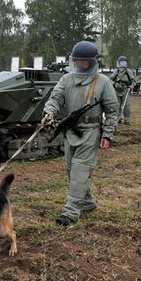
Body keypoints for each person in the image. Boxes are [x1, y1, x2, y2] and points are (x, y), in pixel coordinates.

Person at [42, 41, 118, 226]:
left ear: (92, 62)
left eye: (85, 61)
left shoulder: (103, 82)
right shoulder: (66, 79)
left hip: (91, 131)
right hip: (71, 130)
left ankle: (71, 212)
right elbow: (56, 98)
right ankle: (88, 202)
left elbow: (112, 111)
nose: (81, 64)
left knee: (80, 170)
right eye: (78, 60)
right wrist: (49, 112)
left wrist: (107, 134)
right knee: (70, 169)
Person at [110, 56, 136, 124]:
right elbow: (110, 80)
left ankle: (127, 120)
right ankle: (118, 118)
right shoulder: (116, 71)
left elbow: (133, 82)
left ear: (126, 63)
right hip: (117, 90)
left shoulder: (128, 72)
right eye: (121, 63)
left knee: (126, 105)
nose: (122, 64)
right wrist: (115, 84)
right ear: (118, 63)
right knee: (117, 105)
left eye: (124, 63)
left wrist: (130, 87)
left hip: (126, 90)